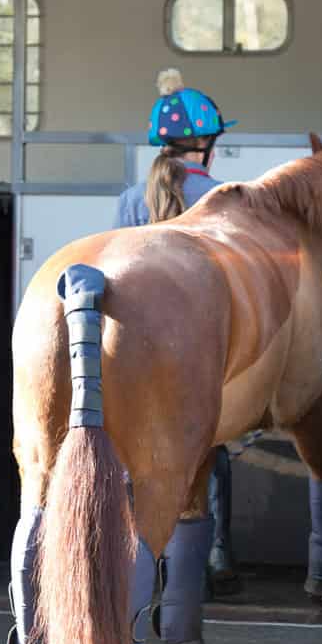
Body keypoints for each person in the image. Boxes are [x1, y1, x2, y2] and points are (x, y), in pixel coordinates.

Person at [115, 69, 242, 600]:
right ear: (208, 145)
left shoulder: (129, 199)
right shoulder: (226, 198)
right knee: (214, 451)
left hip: (133, 353)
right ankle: (214, 558)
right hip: (194, 352)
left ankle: (131, 568)